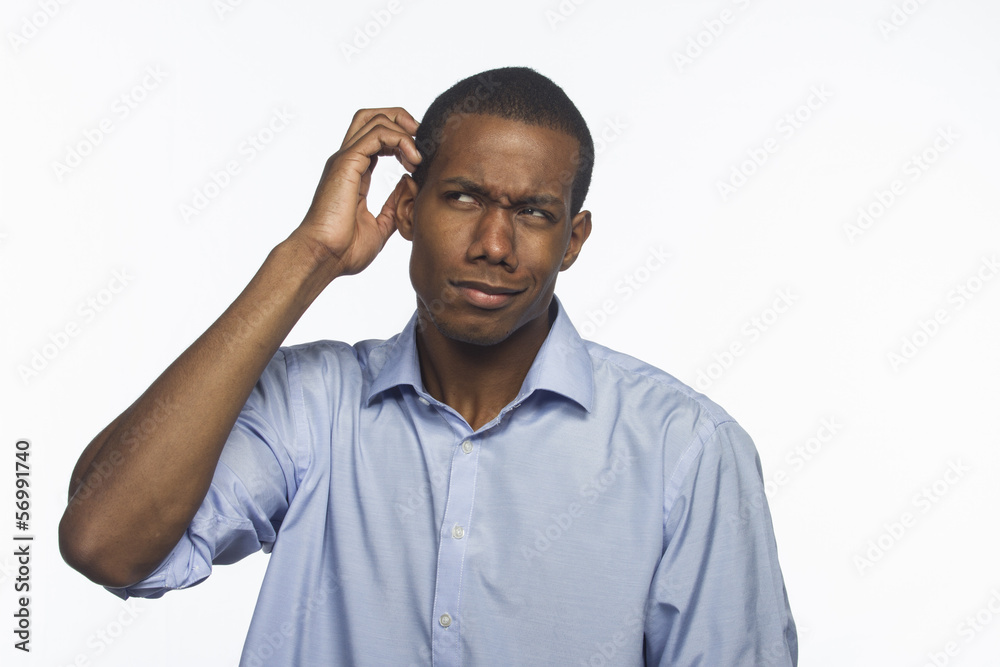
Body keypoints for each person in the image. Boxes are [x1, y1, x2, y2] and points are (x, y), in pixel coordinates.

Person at [59, 66, 798, 666]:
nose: (494, 244)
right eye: (464, 197)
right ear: (406, 208)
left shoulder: (684, 447)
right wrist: (305, 260)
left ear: (573, 240)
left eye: (534, 213)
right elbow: (104, 541)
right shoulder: (312, 408)